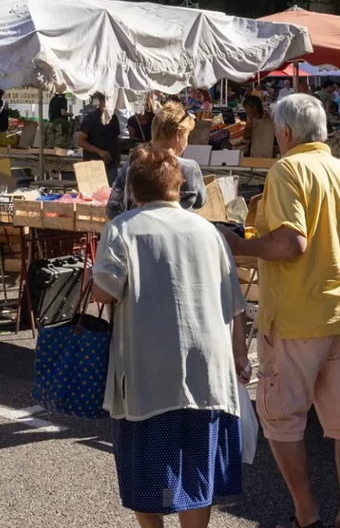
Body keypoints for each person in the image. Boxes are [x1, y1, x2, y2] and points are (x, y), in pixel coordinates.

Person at [225, 94, 340, 528]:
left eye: (278, 131)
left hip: (297, 319)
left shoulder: (288, 169)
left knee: (282, 419)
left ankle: (307, 513)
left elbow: (292, 242)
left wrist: (241, 246)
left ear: (287, 133)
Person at [93, 148, 246, 527]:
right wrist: (240, 356)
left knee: (145, 472)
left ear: (133, 187)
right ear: (179, 185)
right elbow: (235, 304)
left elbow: (105, 291)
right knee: (198, 469)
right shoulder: (209, 232)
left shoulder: (123, 227)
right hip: (207, 370)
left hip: (148, 372)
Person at [106, 102, 208, 219]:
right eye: (187, 135)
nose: (187, 141)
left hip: (136, 233)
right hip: (177, 235)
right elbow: (201, 202)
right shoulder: (189, 168)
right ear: (178, 134)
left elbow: (112, 210)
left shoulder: (131, 165)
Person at [77, 91, 125, 181]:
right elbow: (80, 141)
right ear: (101, 102)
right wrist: (99, 151)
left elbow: (115, 139)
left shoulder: (114, 118)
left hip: (111, 163)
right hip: (93, 164)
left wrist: (117, 158)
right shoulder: (91, 118)